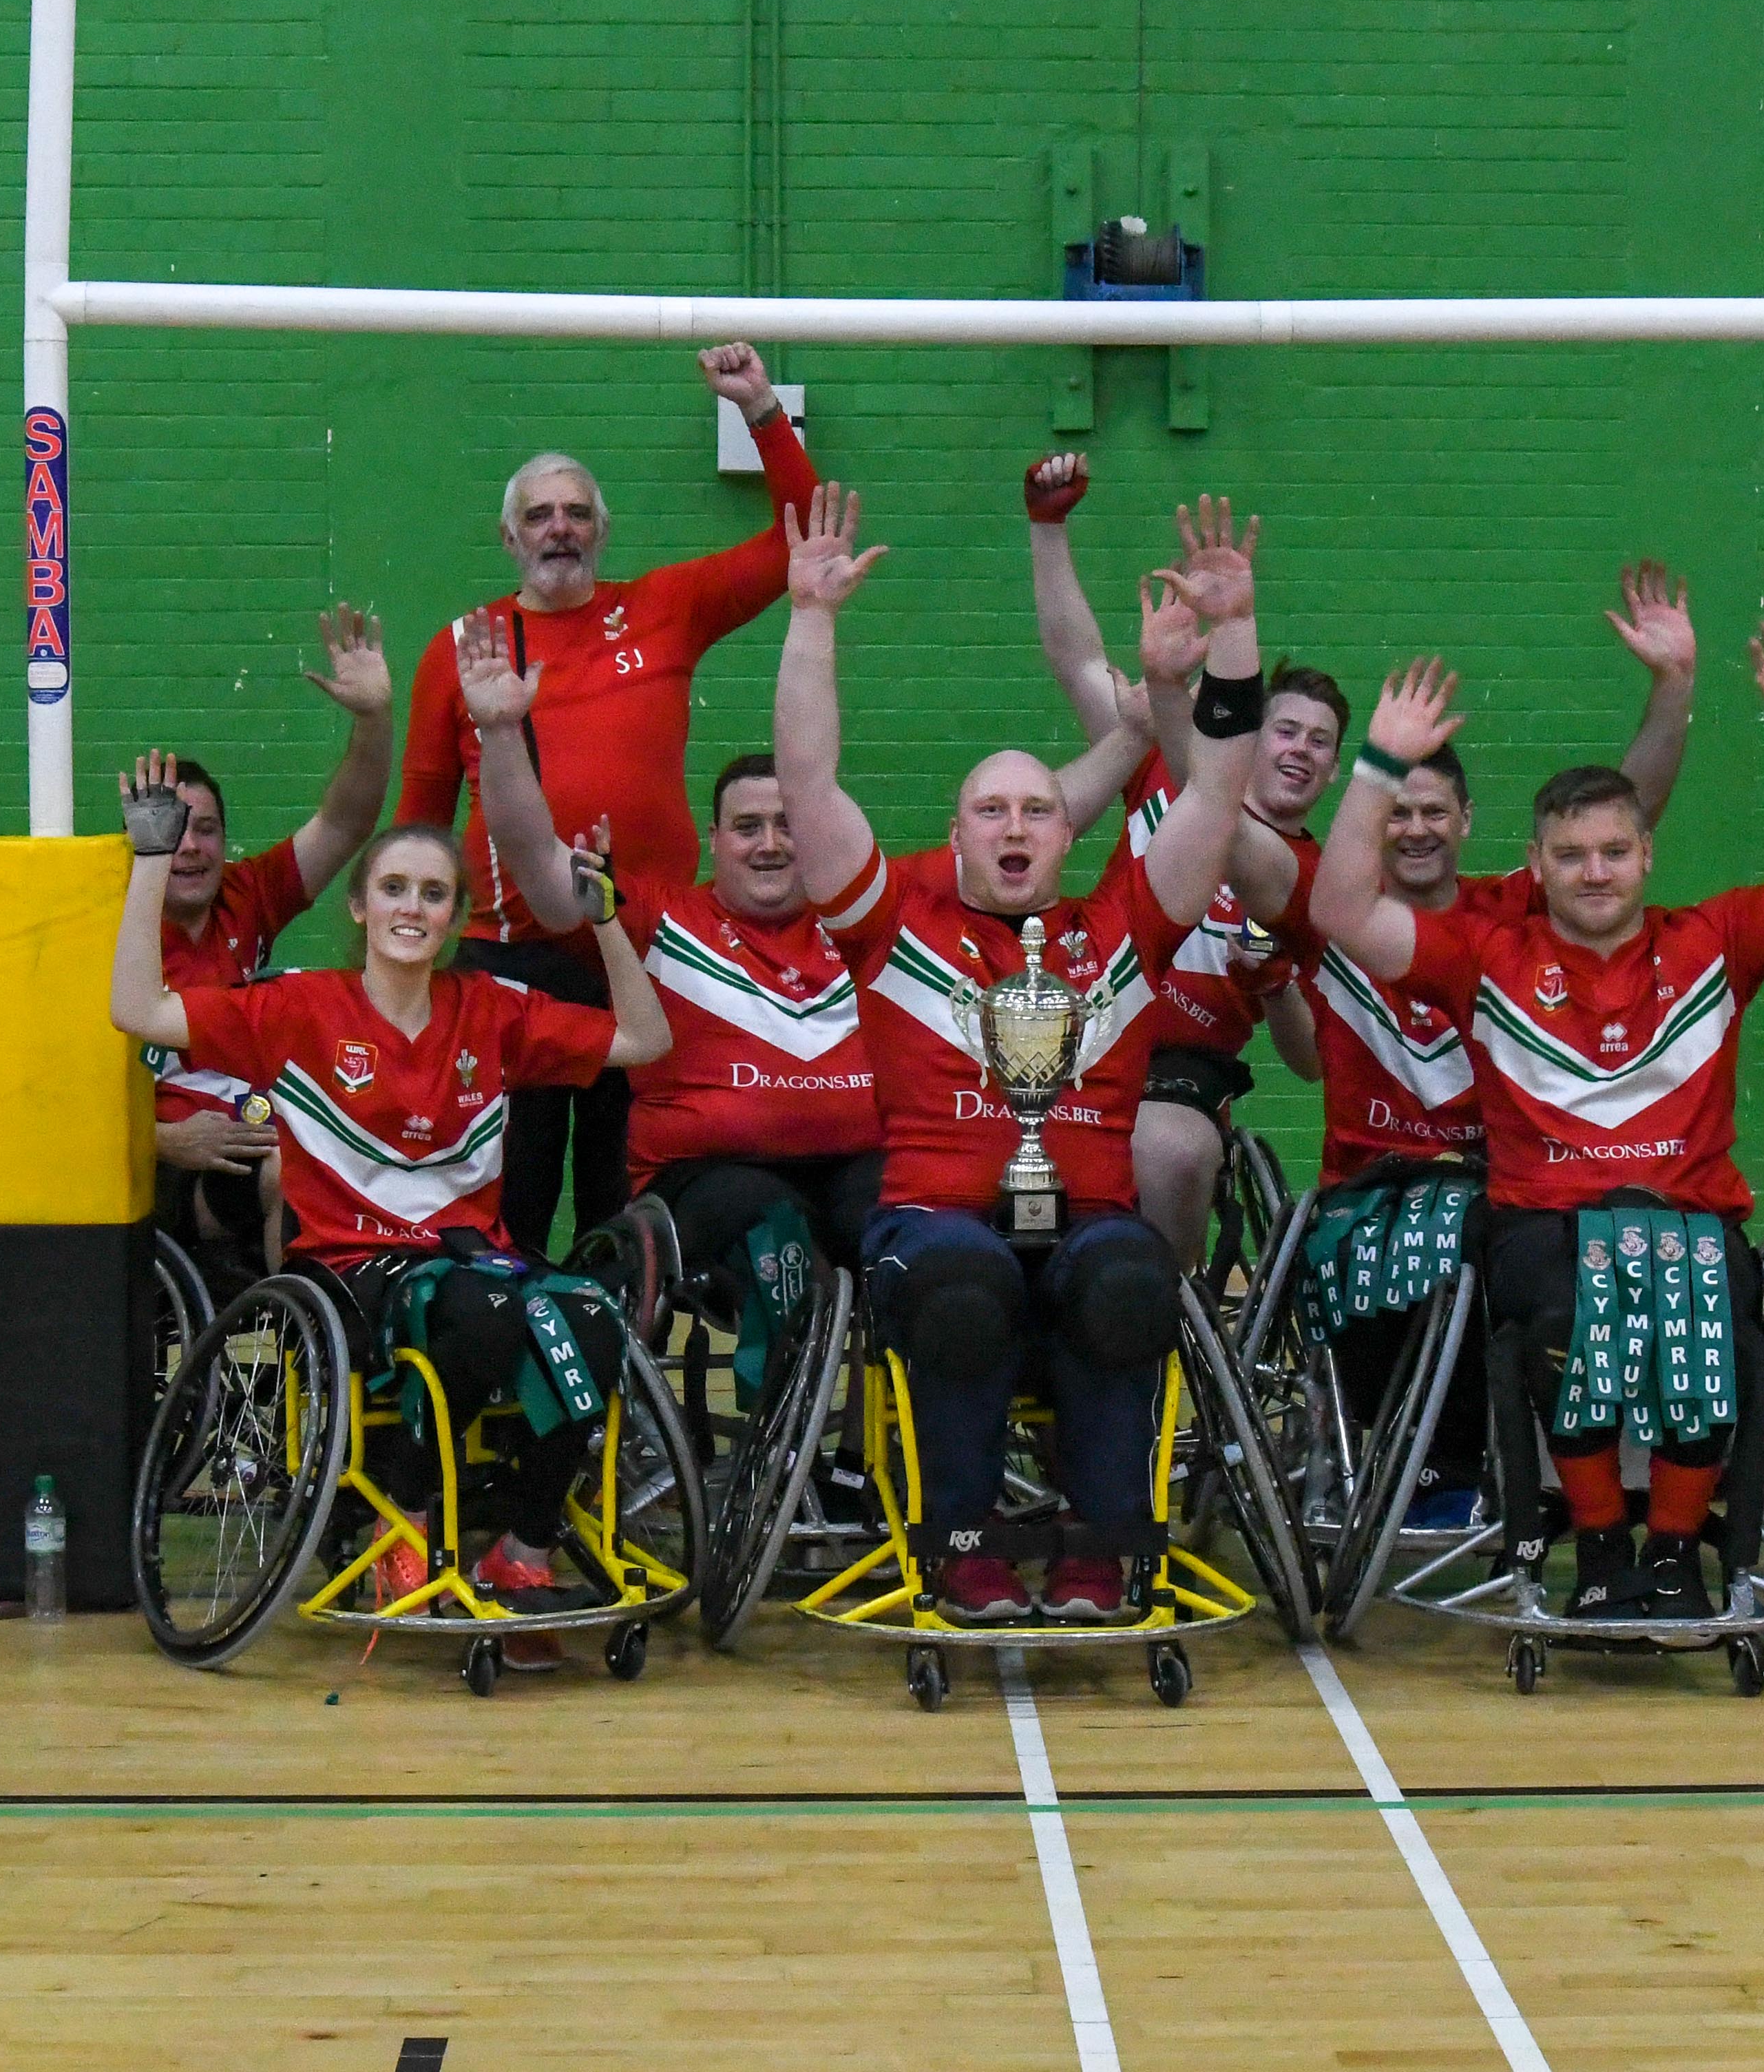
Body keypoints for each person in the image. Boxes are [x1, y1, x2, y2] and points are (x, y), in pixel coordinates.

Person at [1309, 625, 1764, 1616]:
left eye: (1614, 850)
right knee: (1570, 1317)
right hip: (1546, 1225)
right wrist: (1375, 767)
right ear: (1534, 862)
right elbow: (1337, 907)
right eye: (1570, 854)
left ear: (1646, 853)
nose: (1594, 871)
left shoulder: (1715, 942)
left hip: (1690, 1220)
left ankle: (1673, 1557)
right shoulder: (1482, 955)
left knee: (1700, 1299)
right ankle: (1600, 1549)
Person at [776, 483, 1260, 1624]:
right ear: (955, 837)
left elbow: (1222, 791)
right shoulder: (893, 922)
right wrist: (811, 618)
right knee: (965, 1281)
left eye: (1037, 809)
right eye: (989, 810)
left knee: (1132, 1276)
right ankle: (965, 1546)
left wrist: (1231, 634)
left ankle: (1100, 1551)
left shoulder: (1123, 932)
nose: (1012, 826)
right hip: (937, 1227)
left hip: (1085, 1217)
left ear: (1068, 829)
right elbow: (806, 785)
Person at [108, 751, 673, 1651]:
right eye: (396, 888)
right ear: (361, 907)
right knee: (484, 1310)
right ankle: (399, 1516)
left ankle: (521, 1550)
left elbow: (645, 1037)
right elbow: (136, 1006)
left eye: (435, 892)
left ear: (453, 917)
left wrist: (606, 919)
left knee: (589, 1314)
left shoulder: (491, 1010)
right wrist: (146, 863)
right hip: (343, 1269)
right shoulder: (296, 1008)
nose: (413, 907)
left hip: (470, 1261)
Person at [397, 342, 820, 1255]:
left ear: (602, 530)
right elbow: (419, 824)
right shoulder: (464, 647)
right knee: (514, 1179)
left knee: (622, 1186)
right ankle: (515, 1363)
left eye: (576, 513)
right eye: (539, 515)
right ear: (508, 537)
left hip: (648, 946)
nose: (559, 528)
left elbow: (800, 534)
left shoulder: (666, 607)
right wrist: (406, 958)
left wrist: (758, 408)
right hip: (511, 958)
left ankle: (617, 1369)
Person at [439, 610, 883, 1286]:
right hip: (708, 1184)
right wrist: (500, 732)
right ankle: (799, 1386)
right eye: (748, 827)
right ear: (713, 840)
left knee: (912, 1214)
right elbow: (533, 855)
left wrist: (816, 612)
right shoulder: (661, 915)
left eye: (787, 825)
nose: (769, 843)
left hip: (849, 1169)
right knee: (768, 1218)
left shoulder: (861, 917)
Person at [1022, 454, 1333, 1262]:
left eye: (1321, 743)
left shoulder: (1309, 878)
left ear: (1335, 770)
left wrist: (1275, 984)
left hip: (1180, 1067)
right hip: (1080, 1030)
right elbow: (1075, 660)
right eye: (1286, 730)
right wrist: (1047, 530)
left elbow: (1309, 1063)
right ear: (1251, 730)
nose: (1299, 751)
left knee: (1169, 1150)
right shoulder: (1160, 763)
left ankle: (1154, 1324)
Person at [141, 603, 400, 1284]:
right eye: (172, 831)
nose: (191, 848)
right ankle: (317, 1337)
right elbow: (57, 1102)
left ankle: (345, 1332)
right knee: (291, 1164)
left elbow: (347, 822)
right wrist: (166, 1141)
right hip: (160, 1172)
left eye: (207, 830)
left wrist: (373, 721)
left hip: (258, 1142)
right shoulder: (110, 930)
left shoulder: (247, 893)